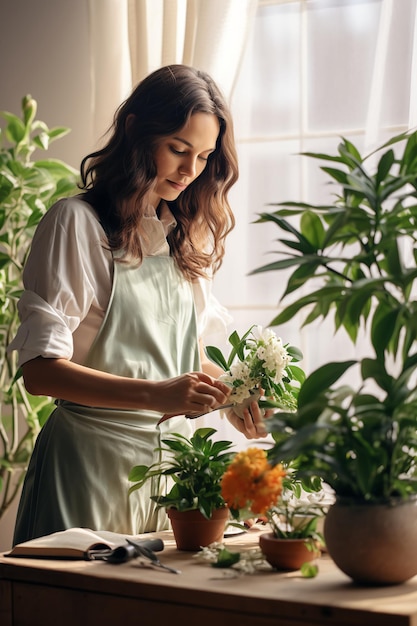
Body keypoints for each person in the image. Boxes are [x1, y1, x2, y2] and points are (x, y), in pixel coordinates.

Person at [8, 64, 267, 545]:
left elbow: (181, 357)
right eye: (178, 149)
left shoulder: (182, 241)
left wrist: (231, 395)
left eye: (205, 156)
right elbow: (41, 373)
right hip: (88, 470)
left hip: (169, 478)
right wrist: (155, 395)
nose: (191, 171)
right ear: (135, 130)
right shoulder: (77, 224)